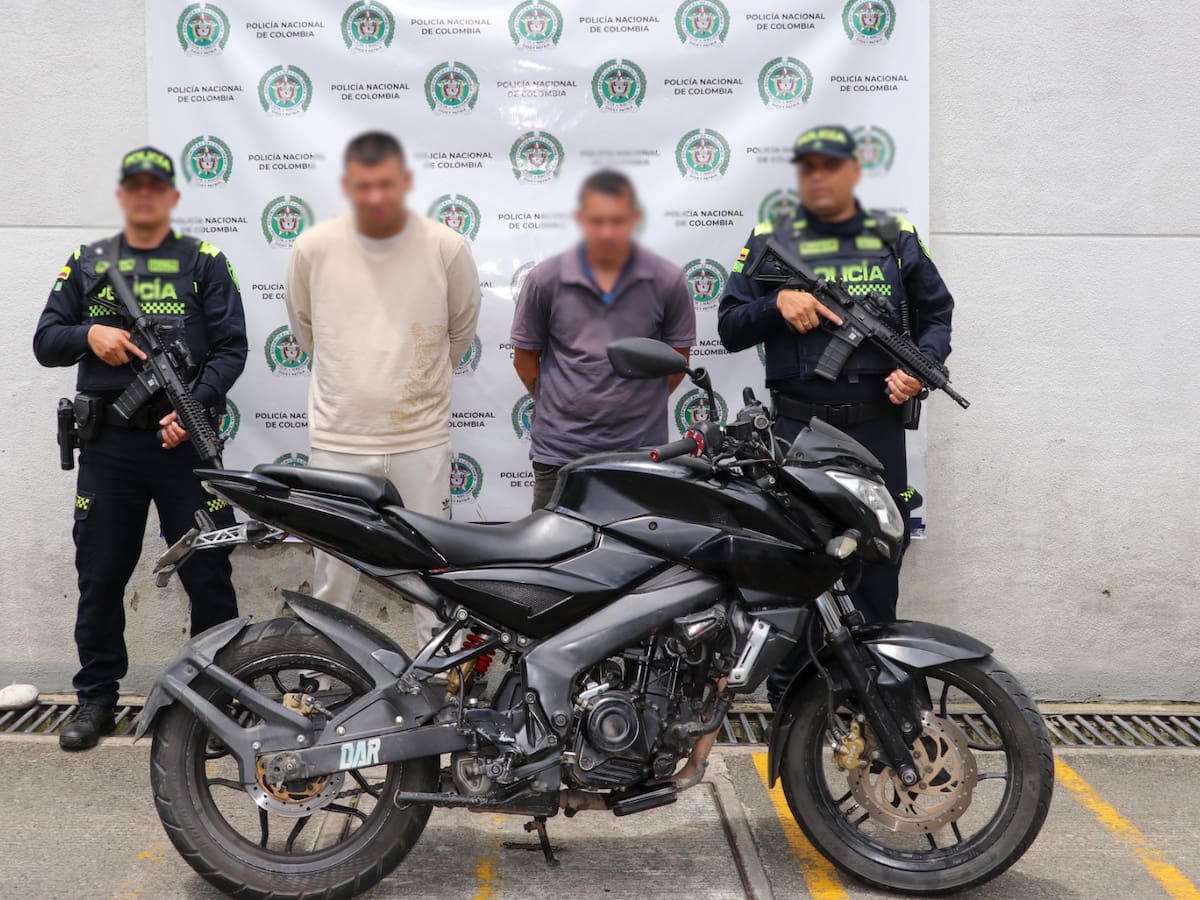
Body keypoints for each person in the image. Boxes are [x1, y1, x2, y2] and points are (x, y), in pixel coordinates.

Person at [717, 125, 955, 707]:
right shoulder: (773, 236)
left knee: (876, 566)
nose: (821, 177)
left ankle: (878, 703)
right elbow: (729, 327)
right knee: (801, 565)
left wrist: (920, 368)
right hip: (798, 431)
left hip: (877, 431)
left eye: (833, 166)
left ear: (854, 173)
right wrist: (777, 303)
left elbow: (936, 314)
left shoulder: (894, 236)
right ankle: (792, 707)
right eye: (811, 167)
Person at [33, 146, 247, 750]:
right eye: (135, 188)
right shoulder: (87, 261)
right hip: (110, 449)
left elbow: (232, 348)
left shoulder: (204, 261)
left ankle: (219, 700)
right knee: (99, 574)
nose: (146, 197)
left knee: (209, 574)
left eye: (157, 188)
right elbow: (46, 340)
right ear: (124, 196)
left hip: (187, 448)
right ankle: (96, 700)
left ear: (173, 198)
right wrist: (88, 333)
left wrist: (194, 406)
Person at [285, 131, 481, 650]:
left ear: (406, 183)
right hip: (338, 441)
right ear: (348, 185)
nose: (375, 197)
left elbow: (459, 332)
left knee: (433, 575)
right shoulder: (313, 247)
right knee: (332, 577)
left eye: (386, 185)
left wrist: (415, 383)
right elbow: (307, 330)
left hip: (421, 439)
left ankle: (439, 692)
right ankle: (317, 681)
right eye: (364, 185)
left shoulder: (446, 246)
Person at [511, 170, 697, 510]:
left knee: (644, 558)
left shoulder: (668, 280)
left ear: (635, 219)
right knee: (547, 556)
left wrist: (633, 405)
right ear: (581, 220)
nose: (608, 232)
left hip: (642, 456)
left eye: (618, 221)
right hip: (561, 455)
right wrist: (565, 405)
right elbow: (525, 360)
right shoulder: (545, 280)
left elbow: (676, 361)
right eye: (597, 221)